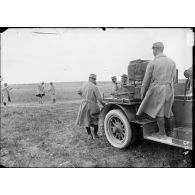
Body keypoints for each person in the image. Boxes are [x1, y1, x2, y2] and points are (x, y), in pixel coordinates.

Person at [136, 42, 176, 139]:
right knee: (169, 110)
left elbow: (146, 80)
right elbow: (173, 79)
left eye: (153, 49)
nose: (153, 52)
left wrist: (142, 93)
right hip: (170, 89)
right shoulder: (172, 62)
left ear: (155, 49)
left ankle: (162, 133)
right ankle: (172, 132)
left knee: (159, 111)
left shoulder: (153, 62)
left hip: (158, 89)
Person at [76, 74, 105, 140]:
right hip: (93, 105)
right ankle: (95, 134)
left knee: (86, 120)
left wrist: (83, 97)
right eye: (95, 79)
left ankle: (89, 135)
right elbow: (100, 98)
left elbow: (78, 91)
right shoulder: (94, 87)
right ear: (93, 79)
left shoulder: (83, 85)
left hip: (84, 105)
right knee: (96, 120)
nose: (95, 81)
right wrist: (104, 105)